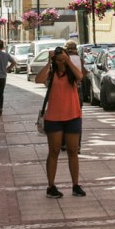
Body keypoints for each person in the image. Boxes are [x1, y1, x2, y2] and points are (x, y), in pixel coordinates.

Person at [36, 46, 85, 198]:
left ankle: (75, 185)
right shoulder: (51, 72)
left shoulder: (71, 72)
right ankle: (51, 186)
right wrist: (49, 62)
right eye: (58, 58)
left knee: (73, 151)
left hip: (73, 116)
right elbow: (38, 79)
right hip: (54, 118)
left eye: (62, 57)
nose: (60, 60)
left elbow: (80, 76)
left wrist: (67, 61)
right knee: (54, 152)